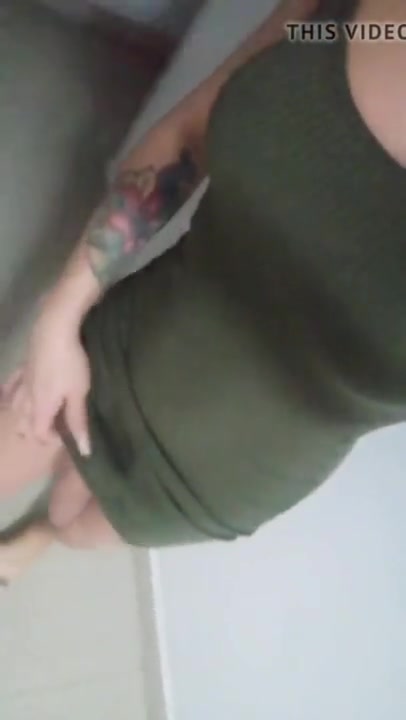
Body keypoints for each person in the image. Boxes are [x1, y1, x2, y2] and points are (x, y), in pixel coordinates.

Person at [0, 0, 405, 584]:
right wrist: (63, 312)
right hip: (146, 334)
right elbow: (191, 134)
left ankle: (37, 537)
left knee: (74, 523)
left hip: (241, 465)